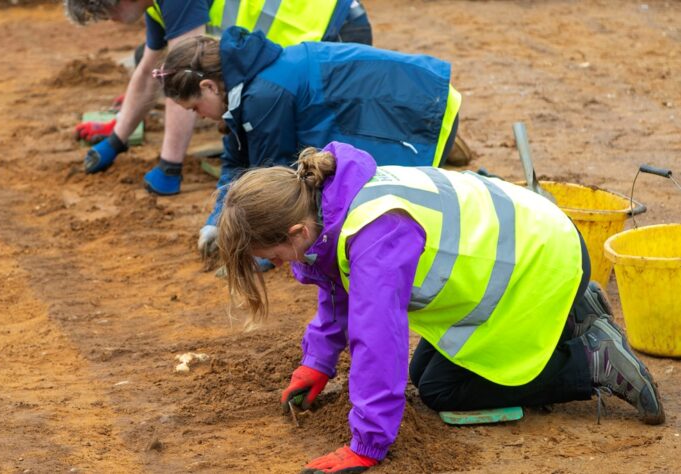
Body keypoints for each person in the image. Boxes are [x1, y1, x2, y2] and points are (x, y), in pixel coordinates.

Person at [216, 141, 665, 474]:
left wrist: (367, 445)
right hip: (534, 242)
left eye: (272, 257)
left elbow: (377, 341)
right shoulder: (329, 202)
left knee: (443, 392)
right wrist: (318, 361)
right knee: (427, 377)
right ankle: (576, 309)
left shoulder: (372, 237)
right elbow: (336, 288)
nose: (274, 266)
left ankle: (592, 362)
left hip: (540, 264)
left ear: (295, 231)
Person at [156, 27, 462, 258]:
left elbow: (272, 181)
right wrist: (217, 220)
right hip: (419, 98)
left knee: (392, 205)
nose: (201, 117)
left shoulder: (263, 96)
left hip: (421, 112)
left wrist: (260, 250)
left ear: (208, 86)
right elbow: (237, 160)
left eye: (195, 108)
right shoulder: (246, 86)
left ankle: (468, 178)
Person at [64, 0, 373, 195]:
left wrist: (170, 166)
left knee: (311, 158)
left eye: (104, 10)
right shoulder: (156, 6)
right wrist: (115, 141)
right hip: (294, 55)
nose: (108, 19)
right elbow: (149, 72)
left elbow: (183, 78)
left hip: (334, 30)